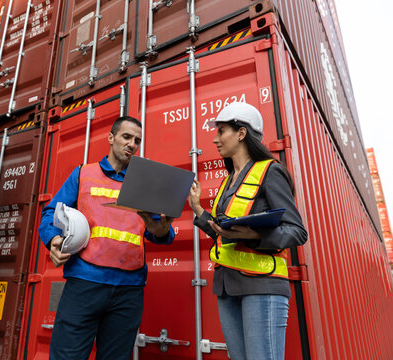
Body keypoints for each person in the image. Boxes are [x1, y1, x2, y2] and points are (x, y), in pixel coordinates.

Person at [38, 115, 175, 360]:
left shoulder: (146, 184)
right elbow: (51, 212)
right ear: (111, 138)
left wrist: (161, 230)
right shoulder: (83, 174)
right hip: (84, 283)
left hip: (129, 290)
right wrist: (53, 240)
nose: (132, 144)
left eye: (137, 140)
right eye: (126, 137)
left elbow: (163, 233)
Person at [188, 102, 307, 360]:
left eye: (221, 131)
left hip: (262, 285)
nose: (215, 139)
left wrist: (254, 235)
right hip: (227, 287)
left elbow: (297, 231)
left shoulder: (270, 172)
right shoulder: (227, 181)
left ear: (241, 133)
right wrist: (198, 210)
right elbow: (224, 234)